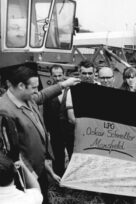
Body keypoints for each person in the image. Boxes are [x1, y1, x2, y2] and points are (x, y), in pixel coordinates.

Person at [0, 65, 80, 203]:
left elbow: (43, 95)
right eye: (34, 87)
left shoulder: (27, 97)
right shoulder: (4, 111)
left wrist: (64, 84)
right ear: (20, 86)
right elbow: (10, 151)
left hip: (39, 167)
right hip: (26, 175)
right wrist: (29, 173)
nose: (37, 91)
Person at [43, 65, 75, 177]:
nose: (57, 78)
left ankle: (72, 178)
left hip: (71, 131)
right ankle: (59, 178)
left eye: (60, 75)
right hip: (55, 131)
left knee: (73, 155)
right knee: (58, 156)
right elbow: (45, 113)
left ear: (64, 74)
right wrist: (47, 131)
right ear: (51, 76)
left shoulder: (72, 90)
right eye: (55, 76)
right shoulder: (47, 93)